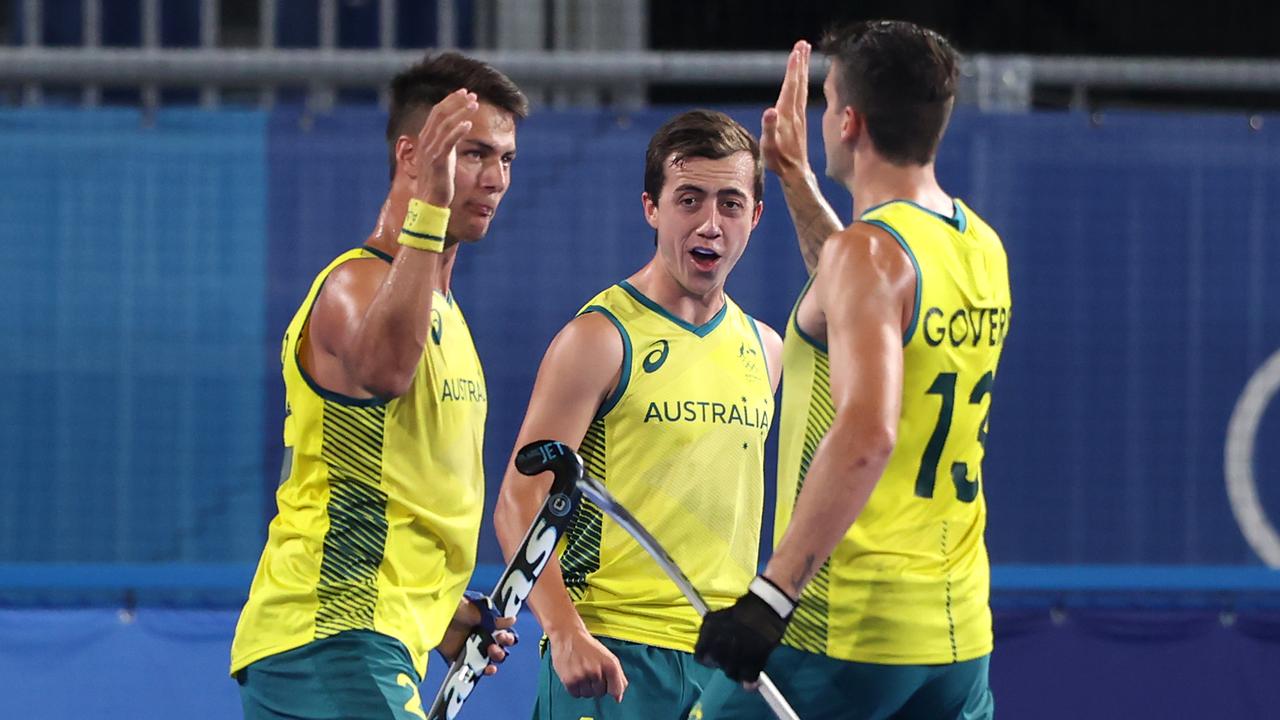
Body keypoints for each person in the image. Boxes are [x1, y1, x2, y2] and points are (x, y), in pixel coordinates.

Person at [693, 21, 1011, 720]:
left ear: (848, 121)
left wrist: (771, 596)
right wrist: (794, 178)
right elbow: (860, 301)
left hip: (847, 624)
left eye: (827, 100)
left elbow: (868, 433)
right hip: (957, 634)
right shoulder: (979, 246)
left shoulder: (867, 255)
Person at [230, 52, 529, 719]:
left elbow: (393, 500)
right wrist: (430, 203)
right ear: (411, 153)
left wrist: (444, 609)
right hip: (330, 636)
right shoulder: (351, 286)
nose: (495, 179)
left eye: (506, 159)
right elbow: (389, 369)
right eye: (473, 153)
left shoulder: (448, 317)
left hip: (371, 638)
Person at [493, 109, 783, 720]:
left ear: (755, 217)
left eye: (731, 203)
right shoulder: (600, 339)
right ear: (652, 208)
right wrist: (566, 633)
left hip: (724, 663)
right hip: (614, 655)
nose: (710, 224)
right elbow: (520, 501)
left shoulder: (767, 349)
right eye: (689, 200)